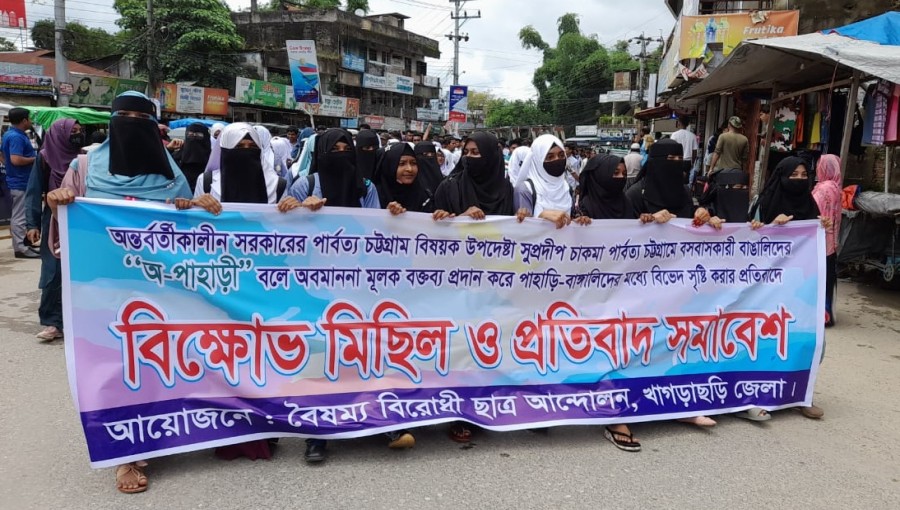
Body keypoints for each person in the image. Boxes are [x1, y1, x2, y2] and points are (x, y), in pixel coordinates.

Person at [45, 91, 216, 495]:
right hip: (104, 290)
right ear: (112, 121)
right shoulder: (84, 166)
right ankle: (126, 455)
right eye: (125, 116)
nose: (132, 122)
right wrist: (58, 203)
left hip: (159, 288)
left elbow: (188, 230)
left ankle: (161, 431)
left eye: (141, 117)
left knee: (160, 363)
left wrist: (199, 205)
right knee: (115, 367)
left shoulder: (172, 175)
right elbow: (67, 231)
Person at [749, 156, 829, 421]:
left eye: (803, 174)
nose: (798, 179)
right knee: (764, 340)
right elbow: (748, 241)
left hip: (800, 287)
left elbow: (814, 246)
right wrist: (772, 226)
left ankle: (801, 394)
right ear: (780, 176)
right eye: (792, 174)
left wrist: (821, 227)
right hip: (766, 288)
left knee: (807, 338)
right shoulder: (764, 203)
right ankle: (754, 394)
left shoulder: (809, 203)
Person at [24, 118, 84, 341]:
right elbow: (34, 191)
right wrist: (32, 224)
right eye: (73, 131)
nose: (77, 135)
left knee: (80, 270)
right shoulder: (45, 157)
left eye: (79, 131)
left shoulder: (86, 157)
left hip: (81, 217)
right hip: (53, 218)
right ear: (60, 134)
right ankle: (52, 322)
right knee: (53, 271)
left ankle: (79, 320)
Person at [433, 131, 514, 222]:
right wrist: (462, 218)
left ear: (491, 156)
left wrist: (523, 218)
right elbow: (436, 230)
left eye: (475, 152)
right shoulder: (449, 187)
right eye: (466, 152)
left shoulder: (506, 188)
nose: (468, 157)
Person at [513, 134, 587, 229]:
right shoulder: (525, 189)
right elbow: (521, 228)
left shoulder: (566, 187)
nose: (557, 160)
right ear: (537, 161)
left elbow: (571, 218)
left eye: (561, 155)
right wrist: (541, 216)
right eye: (549, 157)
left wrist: (579, 220)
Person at [626, 139, 694, 220]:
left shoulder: (685, 192)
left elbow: (691, 221)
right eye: (671, 158)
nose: (677, 162)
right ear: (656, 161)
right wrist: (649, 220)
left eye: (680, 158)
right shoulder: (636, 194)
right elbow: (627, 227)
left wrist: (701, 215)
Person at [2, 107, 38, 258]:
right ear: (24, 120)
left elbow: (2, 155)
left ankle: (23, 244)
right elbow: (15, 160)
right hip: (20, 181)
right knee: (20, 216)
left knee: (20, 214)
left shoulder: (10, 134)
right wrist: (36, 159)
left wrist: (9, 169)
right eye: (29, 118)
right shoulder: (16, 137)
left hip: (18, 179)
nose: (31, 121)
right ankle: (21, 248)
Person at [812, 155, 842, 328]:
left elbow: (815, 213)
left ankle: (821, 314)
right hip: (831, 241)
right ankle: (827, 313)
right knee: (828, 277)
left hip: (820, 240)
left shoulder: (823, 189)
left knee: (819, 278)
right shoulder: (836, 188)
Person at [375, 140, 435, 214]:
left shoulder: (424, 195)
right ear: (389, 166)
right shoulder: (374, 195)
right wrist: (386, 214)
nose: (409, 169)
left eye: (413, 163)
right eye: (402, 164)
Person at [172, 123, 211, 189]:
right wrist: (168, 148)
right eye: (190, 135)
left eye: (199, 135)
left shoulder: (213, 161)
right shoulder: (176, 157)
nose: (194, 138)